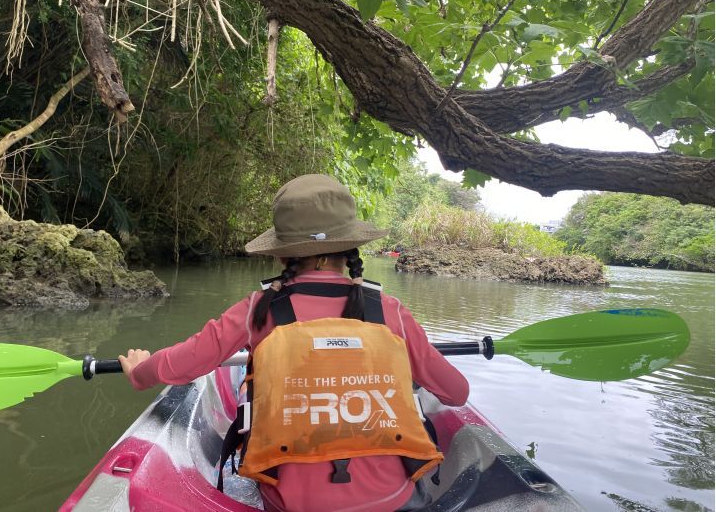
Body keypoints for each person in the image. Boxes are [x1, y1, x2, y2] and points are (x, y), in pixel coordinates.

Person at [120, 174, 469, 512]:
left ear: (282, 253)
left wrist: (139, 372)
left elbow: (183, 363)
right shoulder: (389, 310)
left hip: (291, 503)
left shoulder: (258, 308)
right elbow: (457, 393)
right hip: (389, 499)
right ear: (348, 249)